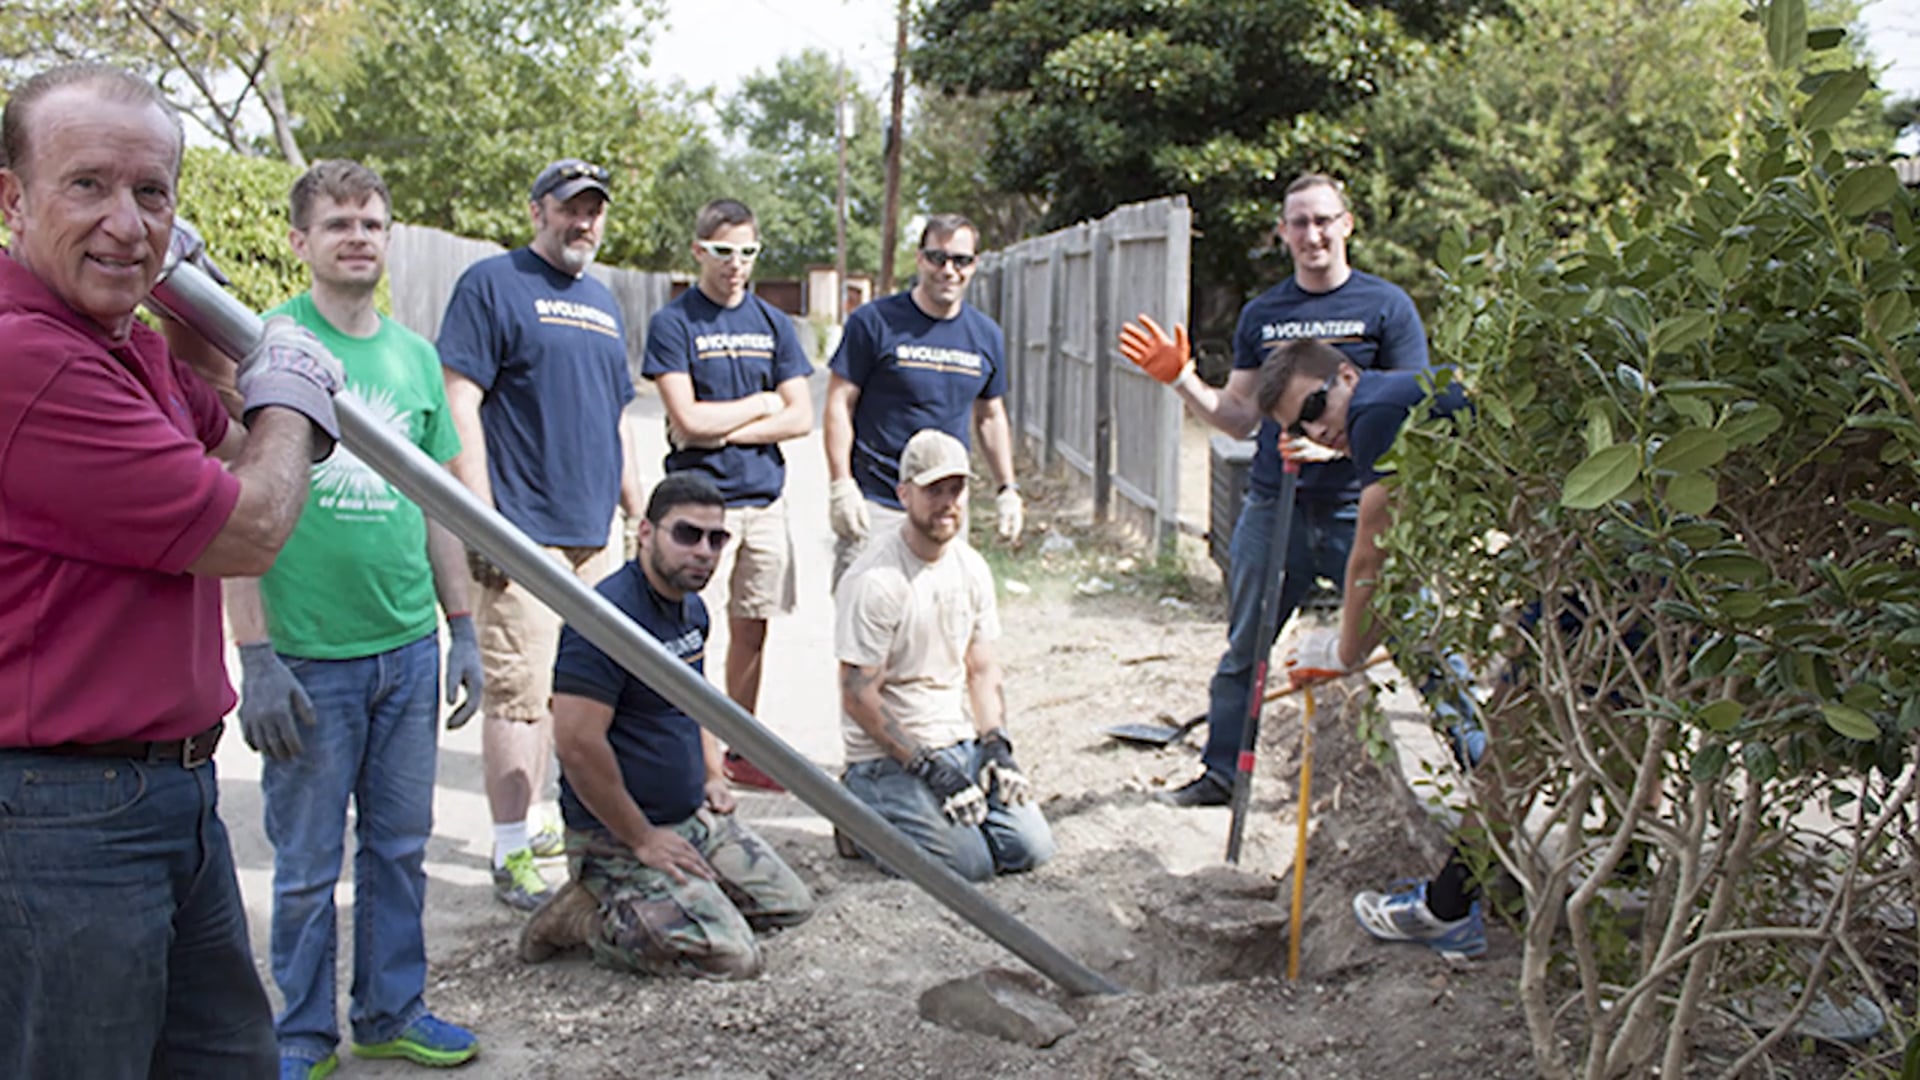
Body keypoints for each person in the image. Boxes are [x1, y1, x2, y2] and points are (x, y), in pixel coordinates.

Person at [0, 62, 342, 1076]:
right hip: (64, 818)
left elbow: (239, 446)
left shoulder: (121, 346)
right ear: (12, 200)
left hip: (166, 795)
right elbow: (249, 524)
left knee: (225, 1061)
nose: (128, 223)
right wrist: (291, 388)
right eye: (89, 185)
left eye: (152, 193)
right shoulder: (30, 358)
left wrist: (220, 353)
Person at [227, 160, 483, 1077]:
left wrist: (462, 629)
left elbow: (432, 506)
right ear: (301, 241)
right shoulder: (266, 345)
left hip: (406, 649)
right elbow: (235, 508)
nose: (358, 237)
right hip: (308, 659)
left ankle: (390, 1009)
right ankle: (299, 1035)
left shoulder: (414, 358)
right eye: (337, 223)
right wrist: (253, 654)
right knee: (302, 869)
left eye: (372, 222)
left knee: (400, 850)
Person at [1118, 173, 1431, 807]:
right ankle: (1222, 775)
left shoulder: (1387, 307)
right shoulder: (1265, 315)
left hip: (1358, 505)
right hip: (1275, 502)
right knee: (1246, 646)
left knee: (1417, 636)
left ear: (1347, 225)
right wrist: (1182, 379)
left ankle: (1470, 752)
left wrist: (1329, 440)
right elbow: (1238, 416)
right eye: (1299, 223)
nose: (1312, 234)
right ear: (1282, 233)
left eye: (1323, 220)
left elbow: (1408, 409)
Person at [438, 158, 645, 909]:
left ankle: (564, 825)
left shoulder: (602, 299)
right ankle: (510, 849)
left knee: (585, 696)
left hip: (596, 537)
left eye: (594, 210)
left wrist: (636, 506)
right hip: (525, 533)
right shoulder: (492, 285)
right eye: (569, 208)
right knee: (519, 698)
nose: (582, 222)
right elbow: (460, 397)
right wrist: (483, 520)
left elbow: (617, 412)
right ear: (536, 213)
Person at [519, 472, 816, 977]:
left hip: (691, 822)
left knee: (790, 906)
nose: (703, 550)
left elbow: (694, 704)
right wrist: (640, 837)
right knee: (731, 956)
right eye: (686, 534)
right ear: (645, 533)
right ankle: (584, 919)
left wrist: (713, 776)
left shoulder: (691, 610)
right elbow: (576, 743)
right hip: (616, 836)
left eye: (715, 538)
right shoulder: (604, 621)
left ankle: (682, 896)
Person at [1258, 338, 1483, 960]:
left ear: (1349, 376)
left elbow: (1374, 548)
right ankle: (1630, 861)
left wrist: (1345, 652)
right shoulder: (1391, 404)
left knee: (1515, 742)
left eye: (1314, 408)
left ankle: (1455, 908)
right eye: (1296, 427)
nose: (1315, 430)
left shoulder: (1375, 411)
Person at [641, 198, 813, 792]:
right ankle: (682, 745)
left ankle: (740, 743)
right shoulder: (675, 323)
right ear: (698, 252)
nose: (735, 264)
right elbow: (683, 418)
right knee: (683, 623)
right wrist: (763, 404)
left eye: (746, 252)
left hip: (764, 500)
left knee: (753, 625)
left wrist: (729, 425)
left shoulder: (774, 324)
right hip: (697, 503)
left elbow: (800, 418)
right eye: (722, 252)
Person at [834, 429, 1054, 882]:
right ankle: (856, 815)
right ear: (904, 493)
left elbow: (981, 667)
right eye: (934, 490)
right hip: (888, 759)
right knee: (967, 867)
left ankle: (921, 817)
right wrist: (926, 767)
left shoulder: (970, 566)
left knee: (1030, 847)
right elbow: (857, 695)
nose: (948, 502)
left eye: (957, 489)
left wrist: (996, 744)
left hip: (959, 744)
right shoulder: (876, 580)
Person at [823, 213, 1023, 587]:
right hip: (877, 504)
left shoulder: (985, 334)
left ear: (974, 265)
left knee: (939, 631)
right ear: (920, 259)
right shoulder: (874, 322)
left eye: (961, 260)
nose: (949, 270)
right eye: (938, 257)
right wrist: (841, 484)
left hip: (944, 513)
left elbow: (990, 415)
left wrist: (1007, 489)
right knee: (867, 631)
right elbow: (839, 402)